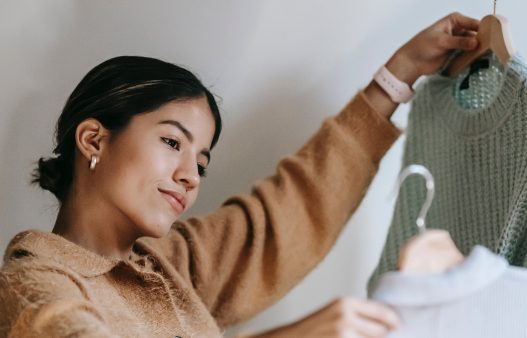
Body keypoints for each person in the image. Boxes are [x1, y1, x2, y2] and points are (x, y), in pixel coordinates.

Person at [0, 12, 480, 338]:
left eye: (202, 163)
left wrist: (397, 76)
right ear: (93, 140)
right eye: (172, 142)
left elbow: (287, 215)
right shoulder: (32, 286)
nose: (191, 176)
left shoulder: (173, 266)